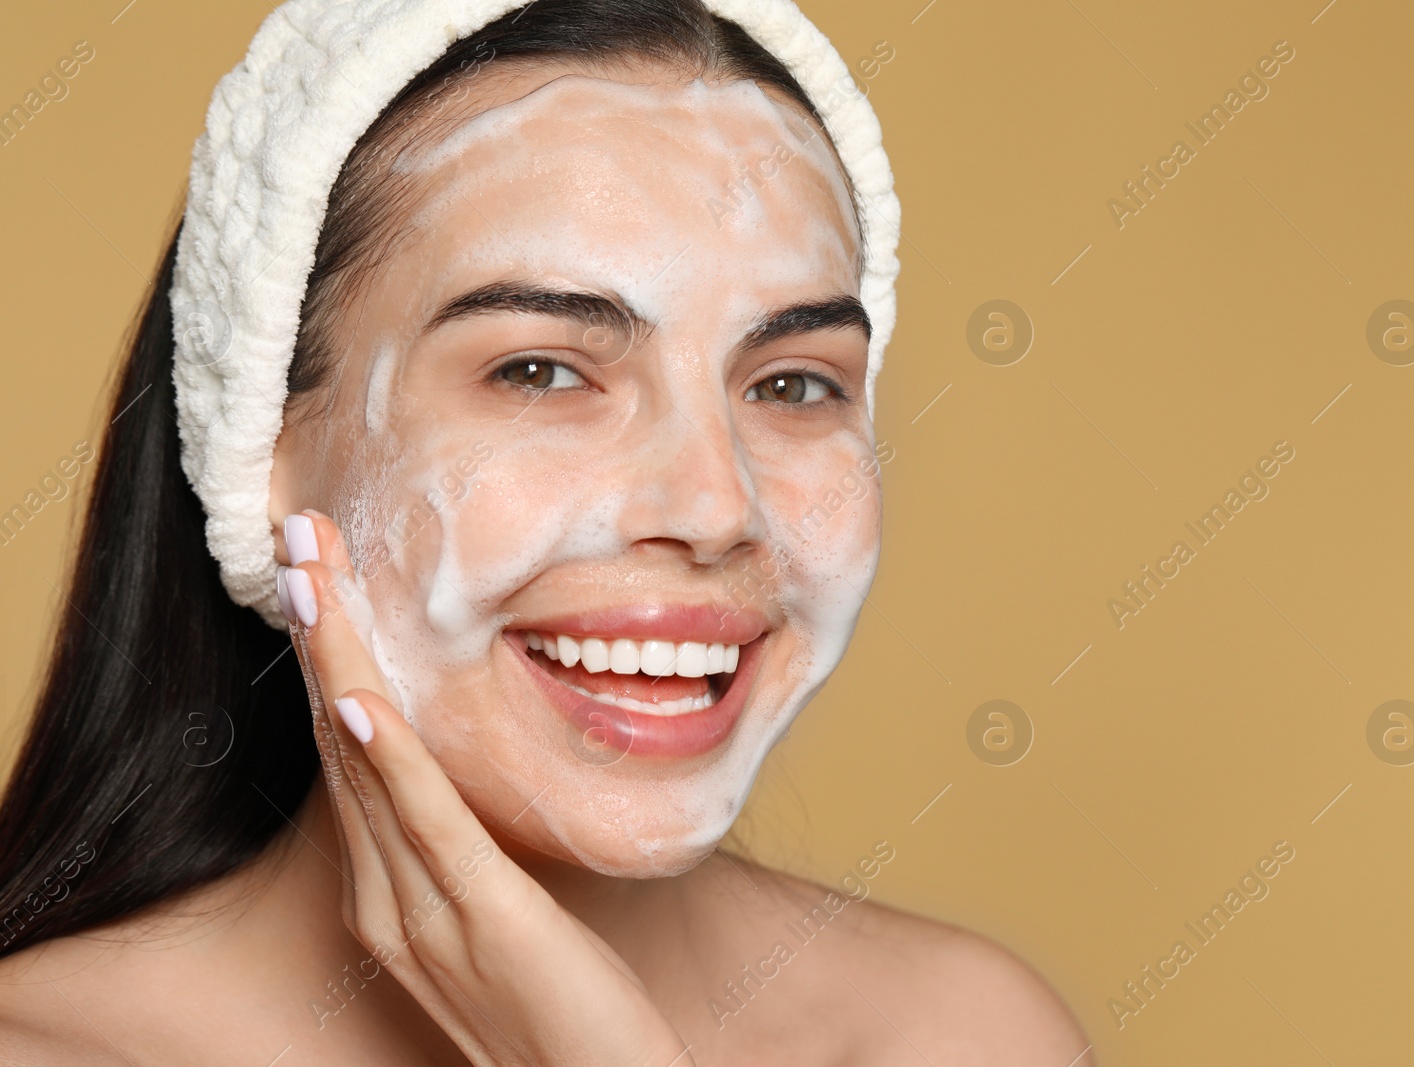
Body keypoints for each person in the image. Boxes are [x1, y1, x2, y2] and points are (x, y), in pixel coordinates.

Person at [0, 0, 1092, 1061]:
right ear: (257, 448)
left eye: (793, 383)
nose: (716, 508)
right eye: (539, 370)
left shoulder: (965, 1036)